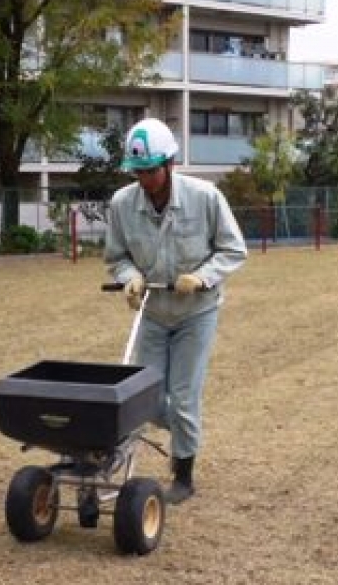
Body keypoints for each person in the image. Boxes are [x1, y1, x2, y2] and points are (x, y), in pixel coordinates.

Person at [104, 118, 247, 504]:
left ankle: (184, 474)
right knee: (146, 397)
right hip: (152, 311)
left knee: (183, 397)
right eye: (138, 172)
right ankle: (186, 429)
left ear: (170, 164)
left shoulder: (205, 198)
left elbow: (234, 250)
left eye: (150, 170)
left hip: (196, 312)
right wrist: (131, 277)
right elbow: (117, 257)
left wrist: (202, 277)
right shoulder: (122, 204)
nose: (144, 179)